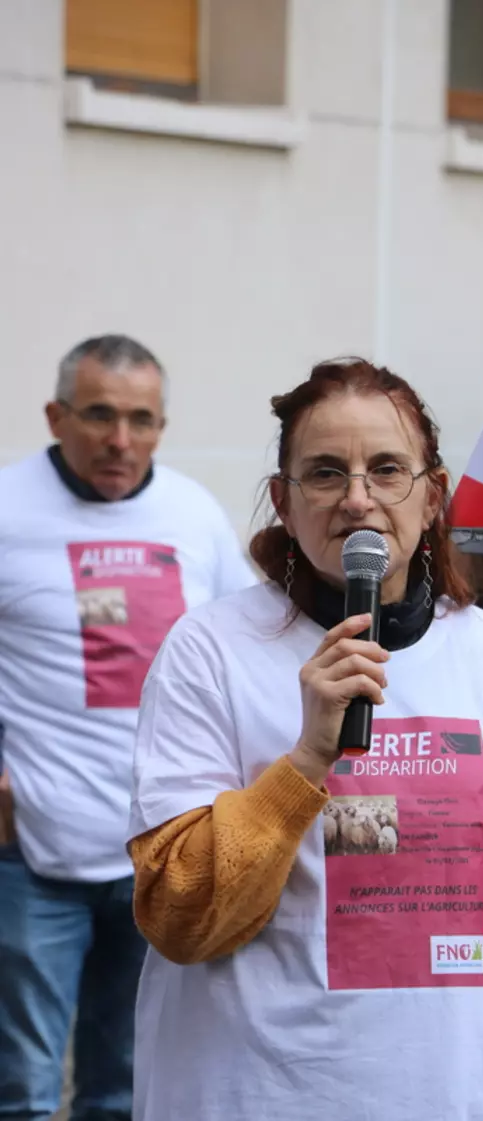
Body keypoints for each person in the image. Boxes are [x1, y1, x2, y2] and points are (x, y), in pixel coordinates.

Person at [126, 358, 483, 1121]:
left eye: (386, 469)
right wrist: (304, 764)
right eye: (325, 472)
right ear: (283, 501)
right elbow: (179, 915)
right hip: (253, 1096)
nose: (357, 498)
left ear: (432, 495)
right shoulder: (210, 651)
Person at [0, 334, 256, 1120]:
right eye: (100, 415)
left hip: (157, 852)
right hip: (33, 853)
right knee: (23, 1091)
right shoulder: (8, 508)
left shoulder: (192, 513)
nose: (121, 440)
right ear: (55, 415)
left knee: (126, 1086)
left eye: (142, 420)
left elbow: (240, 649)